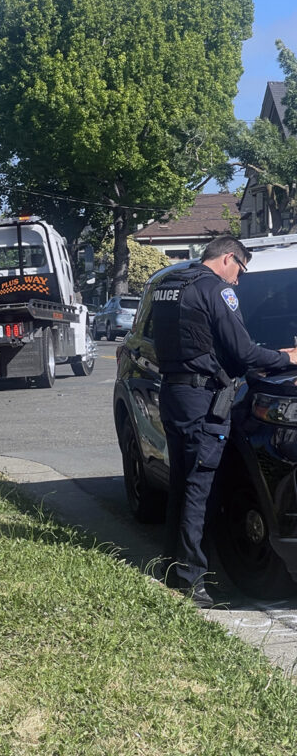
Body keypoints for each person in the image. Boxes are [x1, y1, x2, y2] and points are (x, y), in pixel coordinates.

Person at [150, 235, 297, 607]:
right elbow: (244, 352)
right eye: (240, 271)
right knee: (200, 489)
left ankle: (172, 568)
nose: (238, 281)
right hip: (204, 401)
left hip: (175, 394)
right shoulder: (216, 291)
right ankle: (190, 582)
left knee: (183, 483)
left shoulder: (171, 285)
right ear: (229, 258)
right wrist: (288, 357)